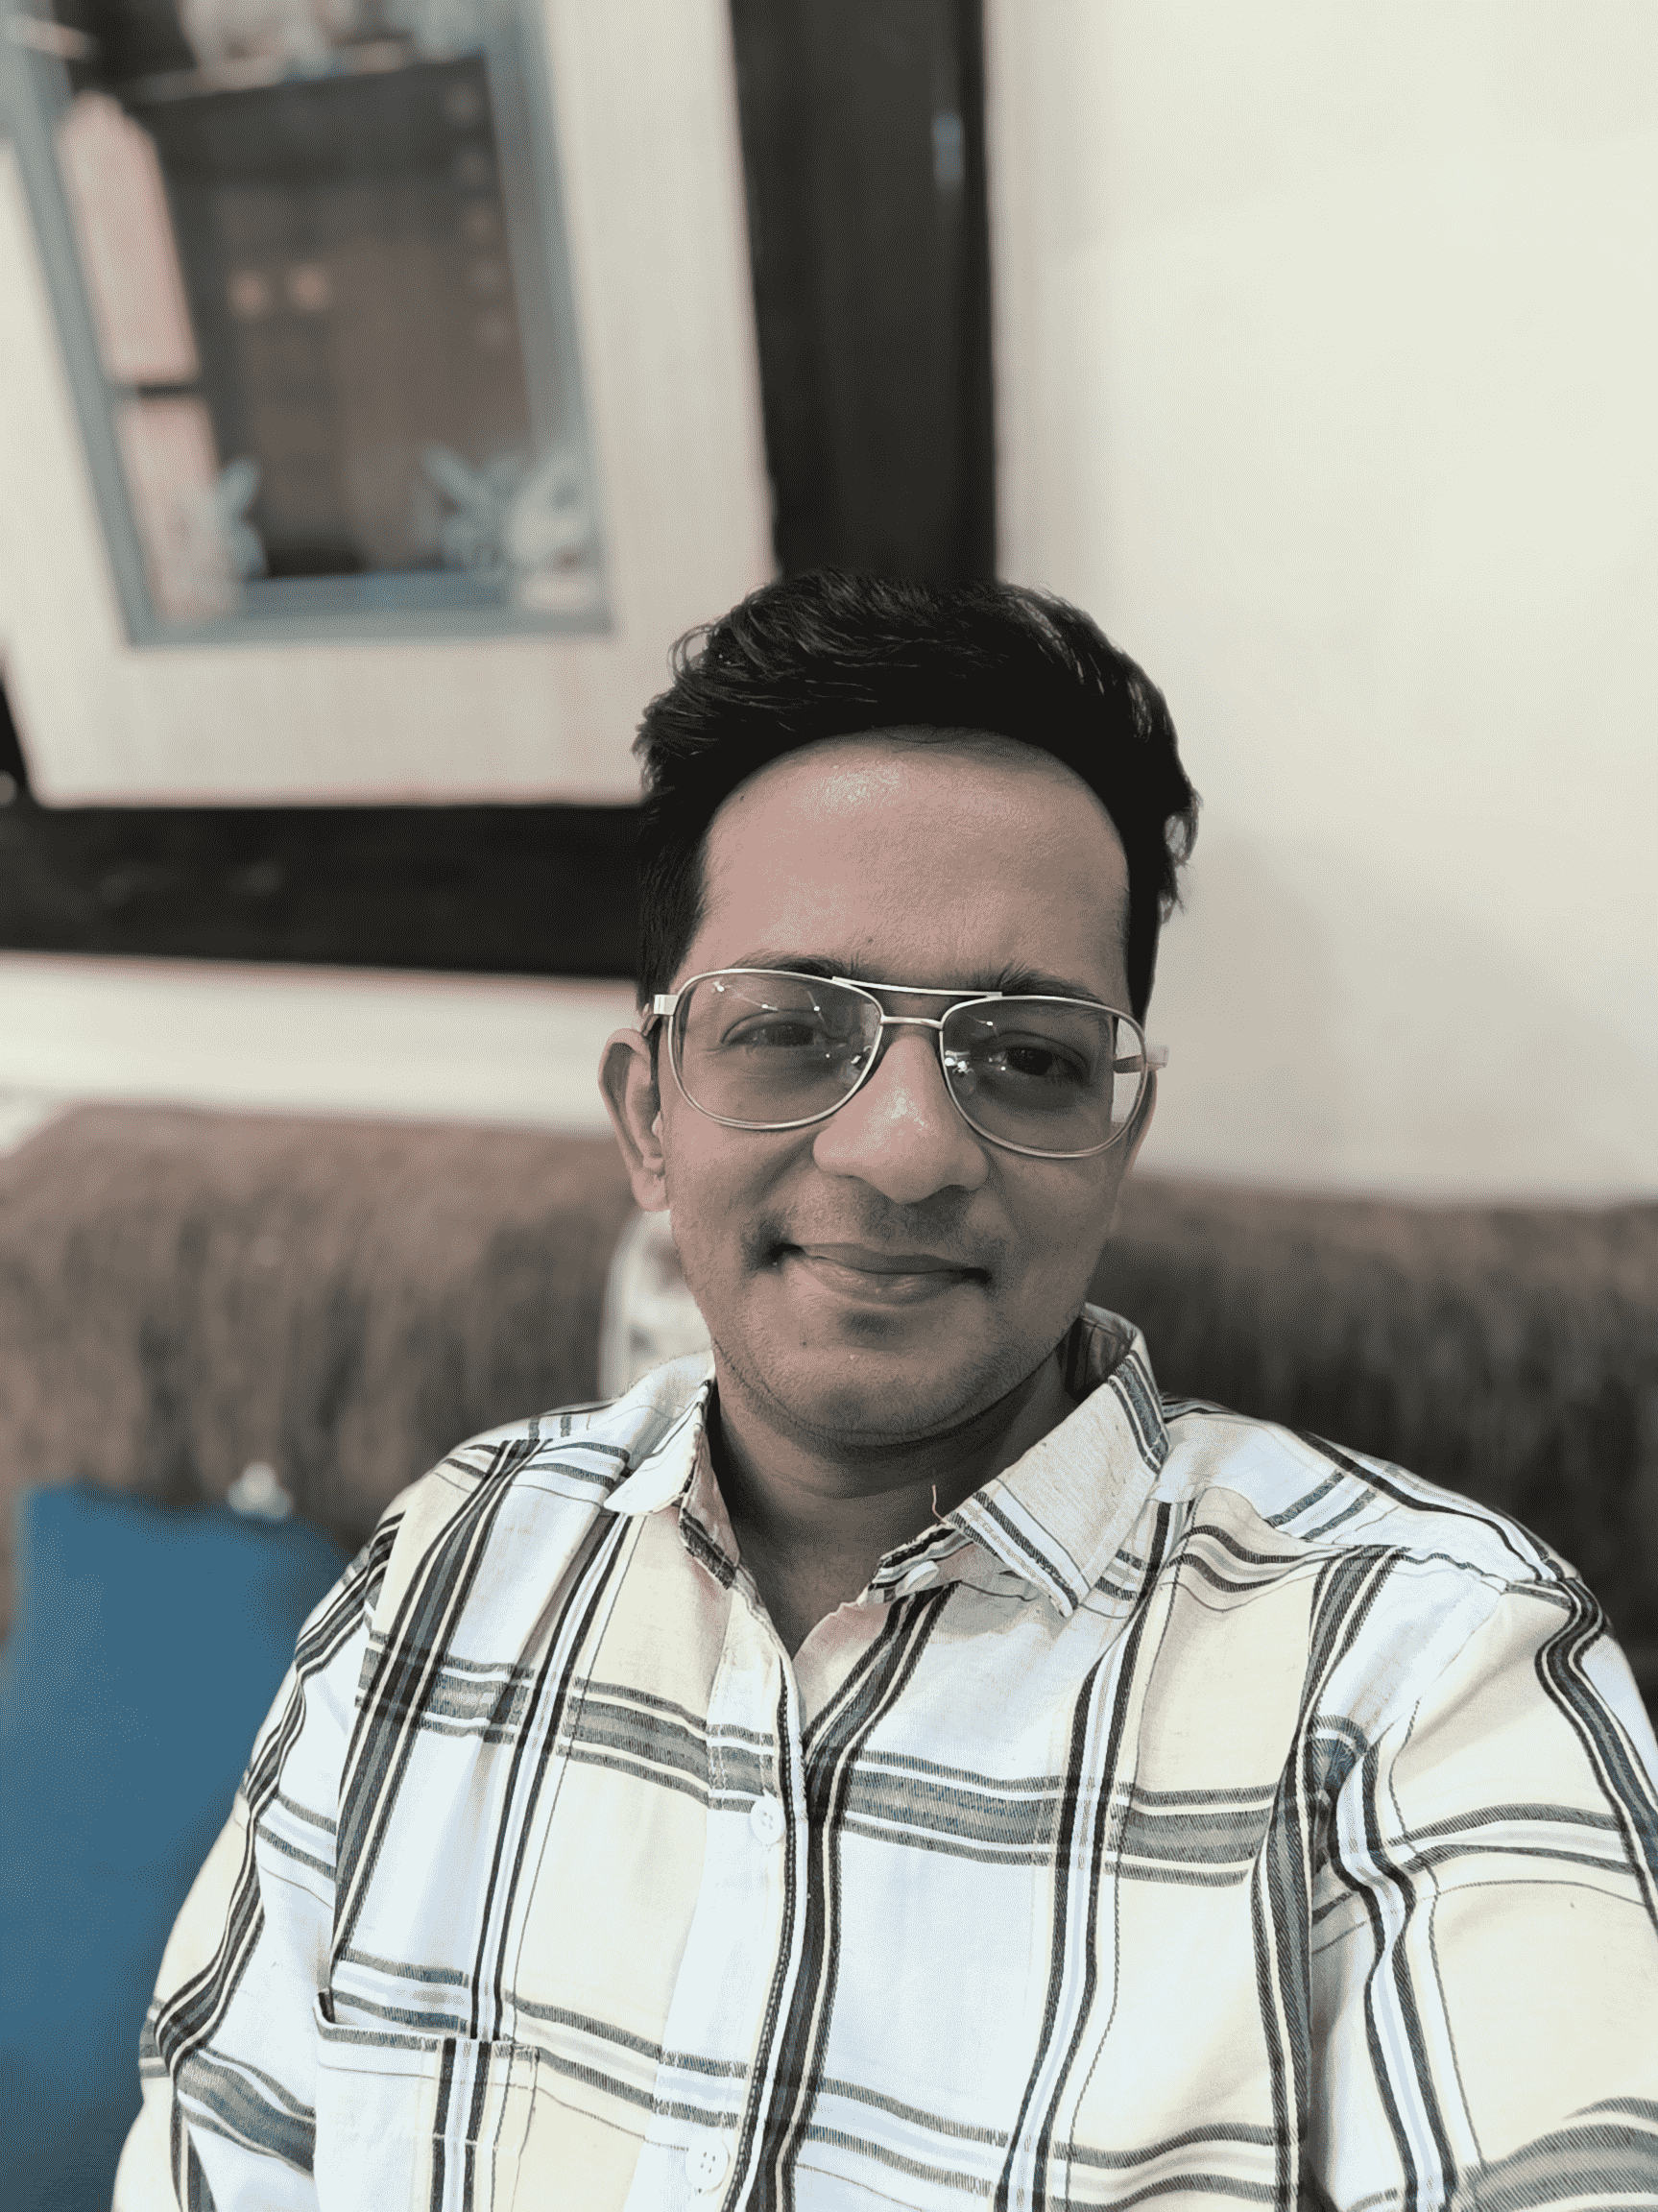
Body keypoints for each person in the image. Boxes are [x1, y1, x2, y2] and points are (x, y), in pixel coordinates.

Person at [117, 571, 1658, 2211]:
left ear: (1114, 1138)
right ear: (647, 1118)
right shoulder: (446, 1563)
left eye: (1027, 1054)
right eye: (790, 1031)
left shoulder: (1430, 1671)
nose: (905, 1148)